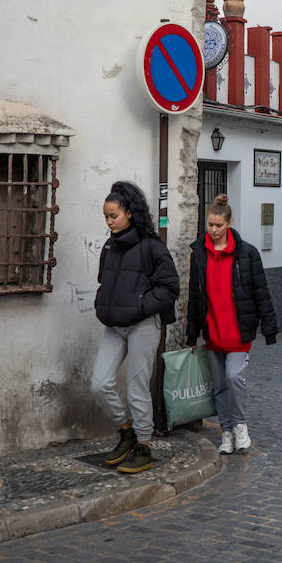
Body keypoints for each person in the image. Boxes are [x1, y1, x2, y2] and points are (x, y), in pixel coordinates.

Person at [92, 181, 180, 475]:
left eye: (113, 216)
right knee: (99, 383)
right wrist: (103, 302)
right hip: (115, 326)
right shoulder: (109, 245)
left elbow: (170, 287)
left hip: (143, 325)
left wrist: (141, 306)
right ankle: (126, 430)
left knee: (136, 388)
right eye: (106, 216)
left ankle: (143, 445)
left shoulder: (152, 246)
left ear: (129, 212)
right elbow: (104, 281)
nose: (109, 222)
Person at [186, 194, 278, 455]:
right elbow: (195, 295)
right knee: (219, 385)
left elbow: (261, 291)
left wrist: (270, 327)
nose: (213, 230)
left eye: (218, 225)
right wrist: (192, 334)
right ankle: (225, 432)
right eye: (210, 225)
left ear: (228, 223)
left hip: (238, 331)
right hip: (213, 332)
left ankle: (240, 426)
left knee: (233, 376)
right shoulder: (199, 254)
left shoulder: (247, 253)